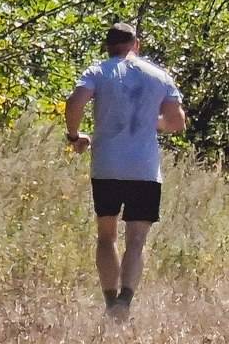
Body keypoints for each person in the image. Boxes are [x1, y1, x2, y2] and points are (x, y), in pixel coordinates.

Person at [64, 22, 187, 321]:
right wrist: (150, 122)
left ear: (108, 47)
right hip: (144, 169)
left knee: (106, 237)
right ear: (137, 45)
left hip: (106, 165)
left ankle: (109, 302)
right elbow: (177, 122)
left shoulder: (98, 72)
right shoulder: (159, 76)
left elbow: (75, 102)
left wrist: (74, 135)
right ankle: (125, 302)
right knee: (136, 239)